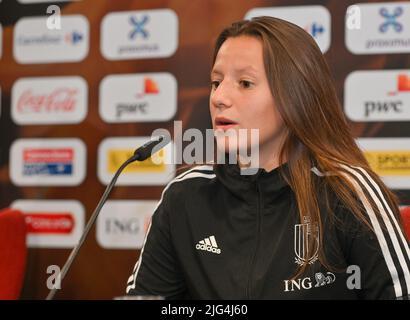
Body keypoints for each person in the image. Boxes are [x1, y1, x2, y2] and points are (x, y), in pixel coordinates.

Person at [125, 16, 410, 299]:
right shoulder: (185, 196)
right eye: (215, 82)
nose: (219, 97)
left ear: (295, 96)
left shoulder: (347, 192)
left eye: (245, 83)